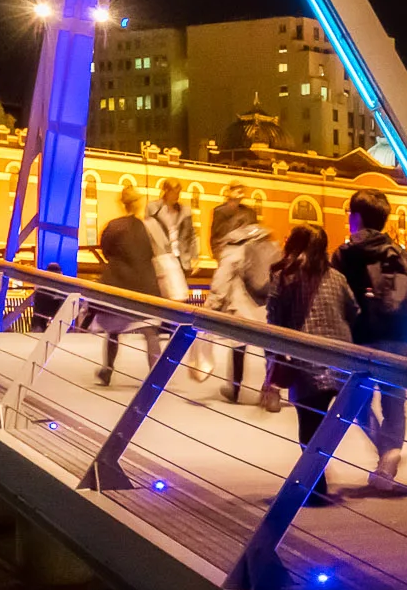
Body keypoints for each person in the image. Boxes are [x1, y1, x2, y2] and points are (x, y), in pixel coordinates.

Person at [335, 188, 407, 495]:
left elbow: (336, 297)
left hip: (360, 337)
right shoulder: (400, 254)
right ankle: (390, 458)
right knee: (395, 400)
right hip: (400, 337)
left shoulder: (344, 255)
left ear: (356, 218)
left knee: (357, 401)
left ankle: (385, 451)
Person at [264, 224, 357, 507]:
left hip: (307, 362)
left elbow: (274, 319)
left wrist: (273, 364)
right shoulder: (338, 278)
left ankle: (316, 487)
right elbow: (353, 311)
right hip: (341, 360)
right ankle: (317, 478)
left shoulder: (283, 276)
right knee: (327, 422)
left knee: (309, 424)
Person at [203, 199, 278, 406]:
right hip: (267, 308)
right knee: (269, 350)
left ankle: (235, 390)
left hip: (242, 308)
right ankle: (271, 392)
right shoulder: (270, 244)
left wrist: (211, 307)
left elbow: (221, 281)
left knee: (238, 348)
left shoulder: (233, 248)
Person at [92, 182, 164, 386]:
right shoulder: (149, 227)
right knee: (150, 330)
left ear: (123, 204)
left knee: (113, 330)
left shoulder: (114, 226)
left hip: (118, 283)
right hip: (145, 285)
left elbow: (105, 249)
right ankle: (155, 375)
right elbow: (158, 251)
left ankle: (107, 370)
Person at [145, 177, 197, 306]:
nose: (177, 196)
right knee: (162, 296)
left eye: (179, 192)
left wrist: (194, 257)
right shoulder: (153, 208)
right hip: (161, 257)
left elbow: (191, 236)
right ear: (166, 191)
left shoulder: (185, 211)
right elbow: (148, 233)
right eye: (175, 192)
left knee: (178, 297)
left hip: (181, 259)